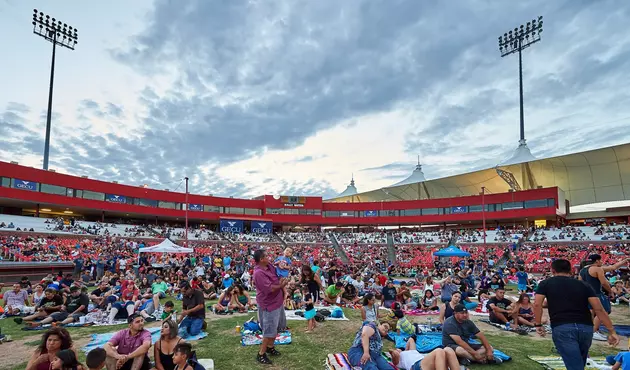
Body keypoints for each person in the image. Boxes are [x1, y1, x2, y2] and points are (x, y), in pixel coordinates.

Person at [534, 258, 619, 370]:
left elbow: (537, 304)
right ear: (570, 270)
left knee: (575, 365)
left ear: (552, 270)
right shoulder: (584, 285)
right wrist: (612, 331)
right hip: (586, 327)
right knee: (579, 363)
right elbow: (599, 309)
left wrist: (538, 324)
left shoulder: (546, 283)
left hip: (562, 326)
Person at [579, 254, 628, 340]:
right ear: (597, 261)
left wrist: (625, 260)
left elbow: (613, 267)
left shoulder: (582, 270)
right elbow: (604, 282)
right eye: (601, 260)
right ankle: (593, 332)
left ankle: (592, 330)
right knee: (604, 311)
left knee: (591, 312)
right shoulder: (598, 269)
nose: (602, 262)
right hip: (596, 294)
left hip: (585, 294)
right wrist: (610, 291)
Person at [252, 249, 288, 365]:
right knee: (268, 329)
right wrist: (281, 285)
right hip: (268, 304)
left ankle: (270, 347)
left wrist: (281, 266)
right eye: (266, 256)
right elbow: (270, 289)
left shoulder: (269, 266)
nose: (269, 257)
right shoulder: (258, 273)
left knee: (276, 327)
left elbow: (277, 274)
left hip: (277, 301)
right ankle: (261, 354)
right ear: (261, 259)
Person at [389, 338, 462, 370]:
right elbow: (394, 359)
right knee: (439, 351)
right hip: (417, 366)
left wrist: (405, 349)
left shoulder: (412, 351)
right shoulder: (399, 359)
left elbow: (411, 340)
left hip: (426, 362)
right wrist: (394, 352)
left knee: (448, 349)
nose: (398, 349)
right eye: (397, 349)